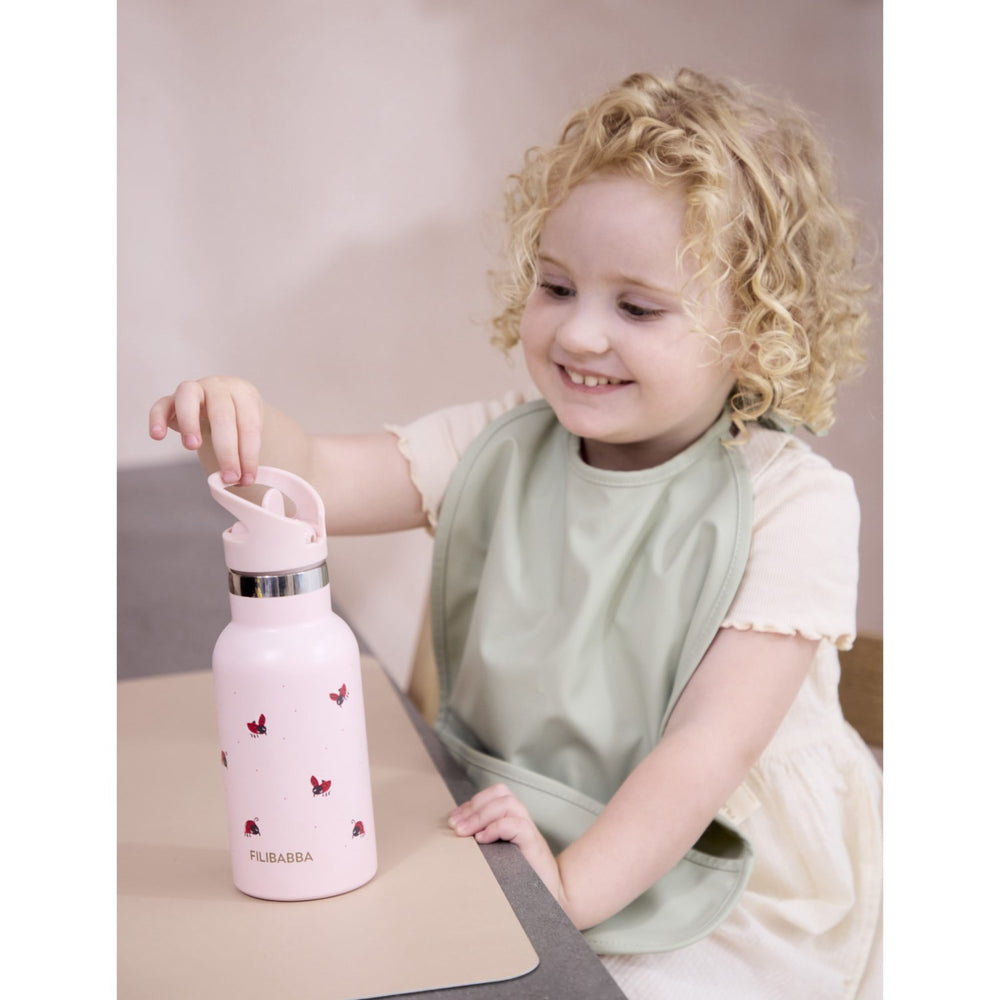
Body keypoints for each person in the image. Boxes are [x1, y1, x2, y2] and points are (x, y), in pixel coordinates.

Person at [149, 69, 881, 998]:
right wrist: (242, 425)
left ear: (755, 328)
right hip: (519, 817)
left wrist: (567, 894)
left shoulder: (794, 503)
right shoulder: (498, 445)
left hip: (719, 866)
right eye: (557, 286)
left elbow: (707, 749)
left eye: (637, 307)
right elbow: (316, 483)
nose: (578, 334)